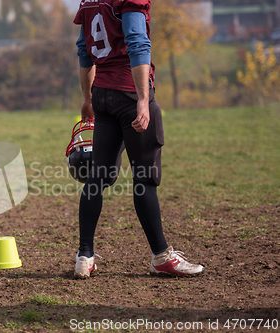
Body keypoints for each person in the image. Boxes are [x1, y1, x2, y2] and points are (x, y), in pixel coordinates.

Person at [73, 0, 204, 279]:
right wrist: (143, 99)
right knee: (144, 177)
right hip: (128, 93)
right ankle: (161, 256)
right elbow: (136, 41)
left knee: (97, 177)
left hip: (102, 95)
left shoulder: (88, 2)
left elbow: (85, 52)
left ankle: (84, 256)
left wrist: (87, 97)